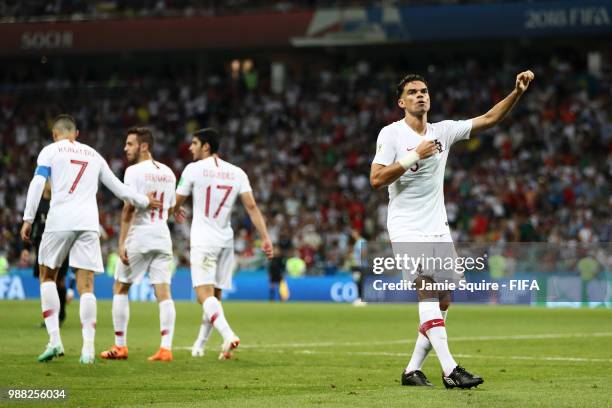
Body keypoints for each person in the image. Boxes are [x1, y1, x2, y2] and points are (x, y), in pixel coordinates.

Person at [370, 71, 534, 388]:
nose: (421, 95)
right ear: (401, 101)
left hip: (437, 227)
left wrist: (517, 92)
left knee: (444, 301)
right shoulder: (391, 134)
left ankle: (411, 371)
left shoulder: (443, 132)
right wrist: (413, 157)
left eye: (425, 91)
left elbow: (488, 119)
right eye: (413, 92)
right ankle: (451, 370)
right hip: (407, 227)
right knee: (428, 291)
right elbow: (376, 180)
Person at [20, 114, 160, 364]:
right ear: (77, 134)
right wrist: (145, 200)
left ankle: (54, 341)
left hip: (60, 219)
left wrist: (29, 218)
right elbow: (119, 189)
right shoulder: (93, 155)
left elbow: (37, 183)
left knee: (47, 276)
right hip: (88, 223)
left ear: (55, 135)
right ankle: (87, 349)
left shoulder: (50, 151)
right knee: (86, 285)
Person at [174, 128, 273, 359]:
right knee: (214, 298)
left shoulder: (193, 169)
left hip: (203, 240)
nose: (190, 148)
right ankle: (199, 345)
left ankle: (228, 335)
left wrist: (174, 207)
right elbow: (251, 207)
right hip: (225, 241)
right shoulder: (237, 172)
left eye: (194, 143)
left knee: (203, 295)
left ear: (206, 146)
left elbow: (176, 201)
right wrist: (266, 237)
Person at [100, 127, 177, 362]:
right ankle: (166, 348)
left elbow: (129, 207)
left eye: (130, 144)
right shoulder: (169, 172)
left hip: (140, 235)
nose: (125, 148)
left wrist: (122, 242)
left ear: (144, 146)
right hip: (163, 236)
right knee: (163, 292)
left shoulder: (133, 172)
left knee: (120, 287)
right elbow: (171, 208)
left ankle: (120, 345)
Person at [29, 181, 70, 327]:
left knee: (59, 281)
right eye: (50, 181)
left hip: (61, 247)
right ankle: (51, 317)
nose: (53, 184)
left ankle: (61, 313)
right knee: (44, 281)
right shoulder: (38, 204)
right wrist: (25, 248)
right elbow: (32, 225)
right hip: (42, 247)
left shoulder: (60, 203)